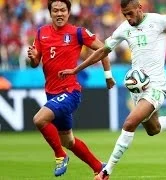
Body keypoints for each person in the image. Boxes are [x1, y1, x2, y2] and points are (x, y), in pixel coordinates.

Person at [58, 0, 166, 179]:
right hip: (138, 89)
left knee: (129, 123)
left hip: (157, 85)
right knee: (153, 129)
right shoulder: (124, 28)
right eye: (125, 15)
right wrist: (76, 69)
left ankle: (106, 172)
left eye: (131, 13)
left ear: (140, 8)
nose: (128, 18)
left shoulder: (159, 20)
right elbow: (102, 51)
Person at [27, 0, 116, 177]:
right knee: (68, 140)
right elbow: (35, 63)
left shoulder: (78, 32)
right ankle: (99, 167)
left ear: (68, 13)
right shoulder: (41, 32)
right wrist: (33, 57)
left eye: (62, 10)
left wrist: (108, 76)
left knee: (39, 119)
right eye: (55, 10)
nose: (59, 14)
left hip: (70, 92)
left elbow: (104, 49)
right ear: (50, 13)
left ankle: (60, 156)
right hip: (51, 93)